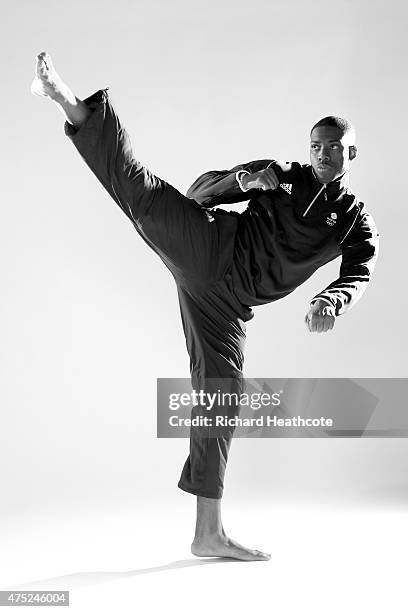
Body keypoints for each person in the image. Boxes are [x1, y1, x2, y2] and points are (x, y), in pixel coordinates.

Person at [31, 51, 379, 562]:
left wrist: (332, 299)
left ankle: (208, 534)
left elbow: (359, 271)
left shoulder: (354, 221)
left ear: (353, 154)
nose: (323, 153)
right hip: (210, 248)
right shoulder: (282, 175)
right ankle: (67, 100)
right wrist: (242, 181)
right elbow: (197, 192)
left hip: (228, 307)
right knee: (141, 192)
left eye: (334, 147)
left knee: (222, 399)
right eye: (316, 145)